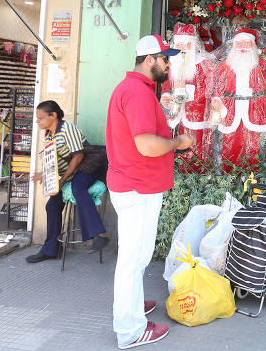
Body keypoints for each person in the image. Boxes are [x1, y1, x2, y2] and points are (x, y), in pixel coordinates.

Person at [106, 35, 195, 349]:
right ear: (149, 60)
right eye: (165, 59)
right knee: (133, 258)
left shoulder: (135, 90)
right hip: (138, 187)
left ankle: (131, 303)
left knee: (138, 254)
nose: (168, 64)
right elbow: (146, 145)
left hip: (135, 185)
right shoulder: (138, 93)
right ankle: (130, 329)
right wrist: (178, 143)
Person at [26, 100, 108, 263]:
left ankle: (100, 235)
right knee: (52, 205)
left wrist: (61, 182)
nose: (38, 121)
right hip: (71, 171)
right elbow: (54, 160)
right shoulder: (48, 134)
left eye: (40, 118)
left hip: (88, 166)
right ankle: (51, 250)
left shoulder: (67, 129)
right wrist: (45, 174)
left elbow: (78, 156)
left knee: (78, 188)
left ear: (53, 115)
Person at [210, 28, 266, 172]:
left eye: (247, 43)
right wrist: (217, 100)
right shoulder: (224, 66)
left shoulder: (264, 65)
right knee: (230, 146)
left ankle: (252, 179)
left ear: (253, 45)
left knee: (253, 147)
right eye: (239, 43)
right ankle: (229, 179)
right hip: (230, 111)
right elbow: (218, 88)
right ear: (234, 45)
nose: (243, 47)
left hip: (255, 110)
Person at [159, 23, 216, 169]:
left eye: (187, 45)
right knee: (177, 149)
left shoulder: (206, 63)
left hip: (198, 114)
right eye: (179, 45)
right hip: (176, 114)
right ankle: (182, 176)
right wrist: (165, 95)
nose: (183, 49)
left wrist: (187, 92)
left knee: (198, 147)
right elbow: (166, 84)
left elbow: (209, 88)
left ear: (194, 44)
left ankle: (200, 176)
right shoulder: (172, 62)